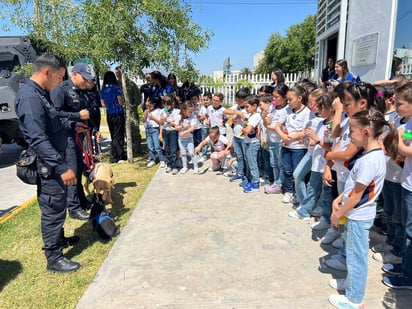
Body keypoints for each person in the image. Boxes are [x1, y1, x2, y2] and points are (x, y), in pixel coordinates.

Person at [15, 54, 84, 273]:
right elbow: (37, 138)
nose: (61, 83)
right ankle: (54, 259)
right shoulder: (30, 97)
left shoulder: (41, 93)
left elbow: (53, 120)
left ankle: (60, 240)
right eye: (60, 77)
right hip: (49, 164)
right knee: (53, 208)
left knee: (58, 204)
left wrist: (75, 123)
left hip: (54, 160)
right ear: (47, 72)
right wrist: (61, 167)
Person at [328, 109, 398, 309]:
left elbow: (358, 195)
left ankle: (354, 299)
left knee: (357, 258)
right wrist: (340, 198)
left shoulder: (369, 161)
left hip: (358, 216)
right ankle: (352, 284)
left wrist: (338, 214)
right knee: (352, 253)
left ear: (366, 132)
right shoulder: (371, 156)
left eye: (352, 131)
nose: (349, 135)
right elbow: (355, 186)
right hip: (354, 214)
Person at [51, 62, 94, 221]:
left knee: (80, 168)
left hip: (78, 137)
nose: (87, 82)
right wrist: (74, 122)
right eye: (84, 78)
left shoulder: (80, 91)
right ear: (74, 74)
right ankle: (73, 207)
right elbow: (55, 116)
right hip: (66, 138)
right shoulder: (61, 90)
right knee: (72, 170)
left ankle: (81, 201)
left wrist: (93, 130)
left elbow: (85, 114)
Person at [383, 81, 412, 289]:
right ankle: (404, 265)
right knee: (404, 224)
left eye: (400, 103)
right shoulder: (407, 122)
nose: (396, 105)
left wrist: (397, 141)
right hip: (406, 181)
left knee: (410, 231)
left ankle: (408, 277)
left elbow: (407, 151)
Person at [276, 85, 311, 203]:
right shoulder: (287, 110)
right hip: (286, 145)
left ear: (300, 98)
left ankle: (298, 193)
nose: (288, 102)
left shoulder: (306, 112)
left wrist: (290, 137)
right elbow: (277, 126)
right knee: (286, 170)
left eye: (291, 100)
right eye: (287, 99)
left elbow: (305, 131)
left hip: (299, 147)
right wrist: (283, 136)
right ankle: (288, 191)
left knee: (298, 172)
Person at [262, 84, 289, 194]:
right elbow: (267, 122)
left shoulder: (287, 110)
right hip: (271, 139)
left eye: (277, 97)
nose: (274, 99)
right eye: (273, 96)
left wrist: (269, 126)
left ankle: (281, 183)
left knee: (281, 163)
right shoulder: (273, 107)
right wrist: (264, 118)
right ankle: (276, 182)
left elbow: (281, 126)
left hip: (280, 140)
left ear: (284, 97)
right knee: (274, 163)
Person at [224, 87, 250, 183]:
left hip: (245, 137)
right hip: (236, 136)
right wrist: (237, 112)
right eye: (237, 100)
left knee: (246, 157)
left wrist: (243, 116)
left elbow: (249, 122)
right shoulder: (237, 107)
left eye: (240, 100)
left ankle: (248, 175)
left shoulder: (249, 108)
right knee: (239, 156)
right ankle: (240, 173)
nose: (238, 102)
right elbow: (225, 111)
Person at [100, 71, 126, 163]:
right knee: (118, 135)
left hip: (109, 113)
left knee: (113, 135)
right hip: (117, 112)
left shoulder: (103, 90)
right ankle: (117, 156)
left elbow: (103, 104)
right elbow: (120, 101)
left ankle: (118, 154)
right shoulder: (116, 88)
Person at [115, 66, 142, 155]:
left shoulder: (130, 84)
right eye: (116, 74)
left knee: (135, 130)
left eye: (119, 73)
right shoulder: (116, 85)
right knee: (127, 132)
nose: (118, 75)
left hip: (131, 111)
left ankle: (138, 149)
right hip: (121, 112)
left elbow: (138, 97)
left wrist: (133, 106)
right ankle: (131, 149)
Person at [241, 95, 263, 193]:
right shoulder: (251, 116)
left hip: (253, 142)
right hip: (248, 141)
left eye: (247, 106)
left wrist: (244, 129)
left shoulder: (256, 116)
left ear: (254, 106)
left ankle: (255, 182)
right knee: (249, 161)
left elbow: (247, 130)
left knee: (252, 162)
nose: (246, 109)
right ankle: (250, 179)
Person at [176, 101, 198, 174]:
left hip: (189, 139)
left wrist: (184, 132)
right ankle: (185, 166)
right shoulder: (178, 117)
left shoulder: (192, 118)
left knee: (192, 152)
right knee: (183, 153)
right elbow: (176, 127)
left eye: (192, 111)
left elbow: (192, 128)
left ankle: (196, 167)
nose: (191, 113)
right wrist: (182, 126)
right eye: (189, 111)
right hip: (181, 140)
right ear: (184, 110)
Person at [160, 95, 180, 175]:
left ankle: (175, 166)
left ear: (172, 103)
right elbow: (161, 123)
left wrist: (167, 121)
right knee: (167, 148)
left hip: (173, 131)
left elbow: (176, 124)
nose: (166, 106)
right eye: (164, 104)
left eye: (168, 104)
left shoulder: (177, 111)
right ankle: (169, 164)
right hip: (165, 131)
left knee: (173, 148)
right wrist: (161, 120)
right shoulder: (162, 111)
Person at [142, 96, 164, 168]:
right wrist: (145, 116)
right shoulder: (146, 111)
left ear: (154, 104)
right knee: (150, 146)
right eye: (146, 106)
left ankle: (161, 160)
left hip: (155, 129)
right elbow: (143, 121)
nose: (148, 107)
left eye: (149, 106)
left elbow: (160, 122)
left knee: (157, 146)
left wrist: (152, 117)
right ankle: (152, 160)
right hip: (148, 129)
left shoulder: (158, 111)